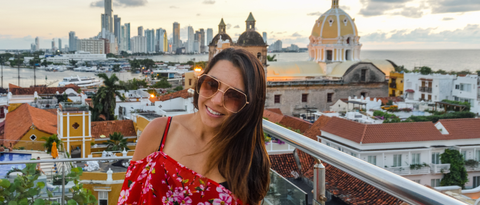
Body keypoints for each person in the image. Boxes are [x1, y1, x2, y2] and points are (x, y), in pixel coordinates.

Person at [118, 48, 270, 205]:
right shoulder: (160, 131)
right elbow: (129, 196)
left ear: (250, 106)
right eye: (211, 84)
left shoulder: (249, 163)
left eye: (234, 95)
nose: (217, 100)